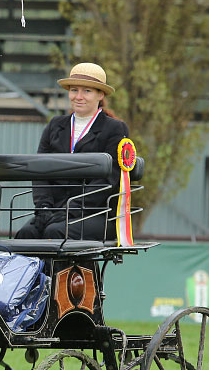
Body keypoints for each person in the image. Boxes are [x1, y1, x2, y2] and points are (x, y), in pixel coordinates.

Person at [14, 62, 130, 240]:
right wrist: (44, 208)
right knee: (26, 233)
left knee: (56, 232)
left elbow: (108, 180)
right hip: (54, 212)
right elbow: (39, 171)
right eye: (74, 90)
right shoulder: (55, 125)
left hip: (96, 214)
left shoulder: (114, 129)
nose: (79, 96)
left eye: (87, 91)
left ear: (101, 94)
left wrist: (72, 209)